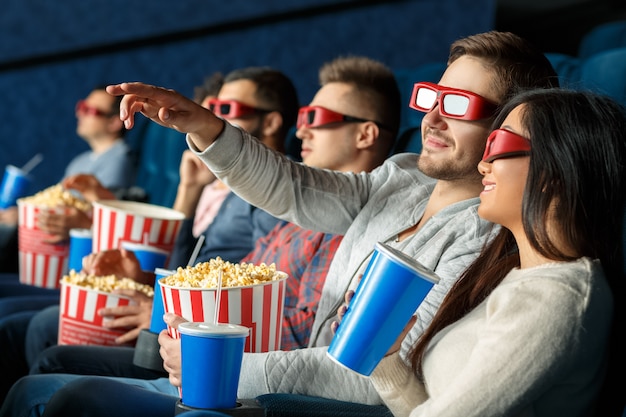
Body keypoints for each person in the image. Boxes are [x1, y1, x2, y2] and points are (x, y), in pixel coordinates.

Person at [0, 31, 559, 416]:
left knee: (55, 395)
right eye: (433, 96)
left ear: (507, 127)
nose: (431, 116)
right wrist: (204, 125)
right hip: (261, 377)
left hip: (292, 399)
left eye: (457, 104)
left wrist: (228, 367)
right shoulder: (401, 177)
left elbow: (374, 374)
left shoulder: (490, 240)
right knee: (37, 382)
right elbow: (295, 187)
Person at [25, 55, 399, 383]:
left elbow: (298, 331)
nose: (301, 129)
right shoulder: (291, 216)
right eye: (303, 117)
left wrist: (172, 316)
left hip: (220, 360)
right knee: (39, 337)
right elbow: (233, 283)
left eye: (317, 118)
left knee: (48, 356)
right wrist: (148, 284)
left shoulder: (343, 226)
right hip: (190, 332)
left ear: (366, 133)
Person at [0, 66, 297, 404]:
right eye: (212, 109)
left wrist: (160, 305)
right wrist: (188, 191)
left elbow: (255, 291)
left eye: (227, 111)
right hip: (168, 301)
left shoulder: (273, 195)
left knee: (42, 340)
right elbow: (185, 263)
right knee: (26, 328)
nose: (215, 120)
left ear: (272, 123)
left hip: (196, 329)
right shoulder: (216, 184)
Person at [357, 88, 626, 417]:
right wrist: (387, 359)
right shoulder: (523, 279)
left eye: (499, 145)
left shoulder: (557, 297)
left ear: (556, 167)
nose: (483, 164)